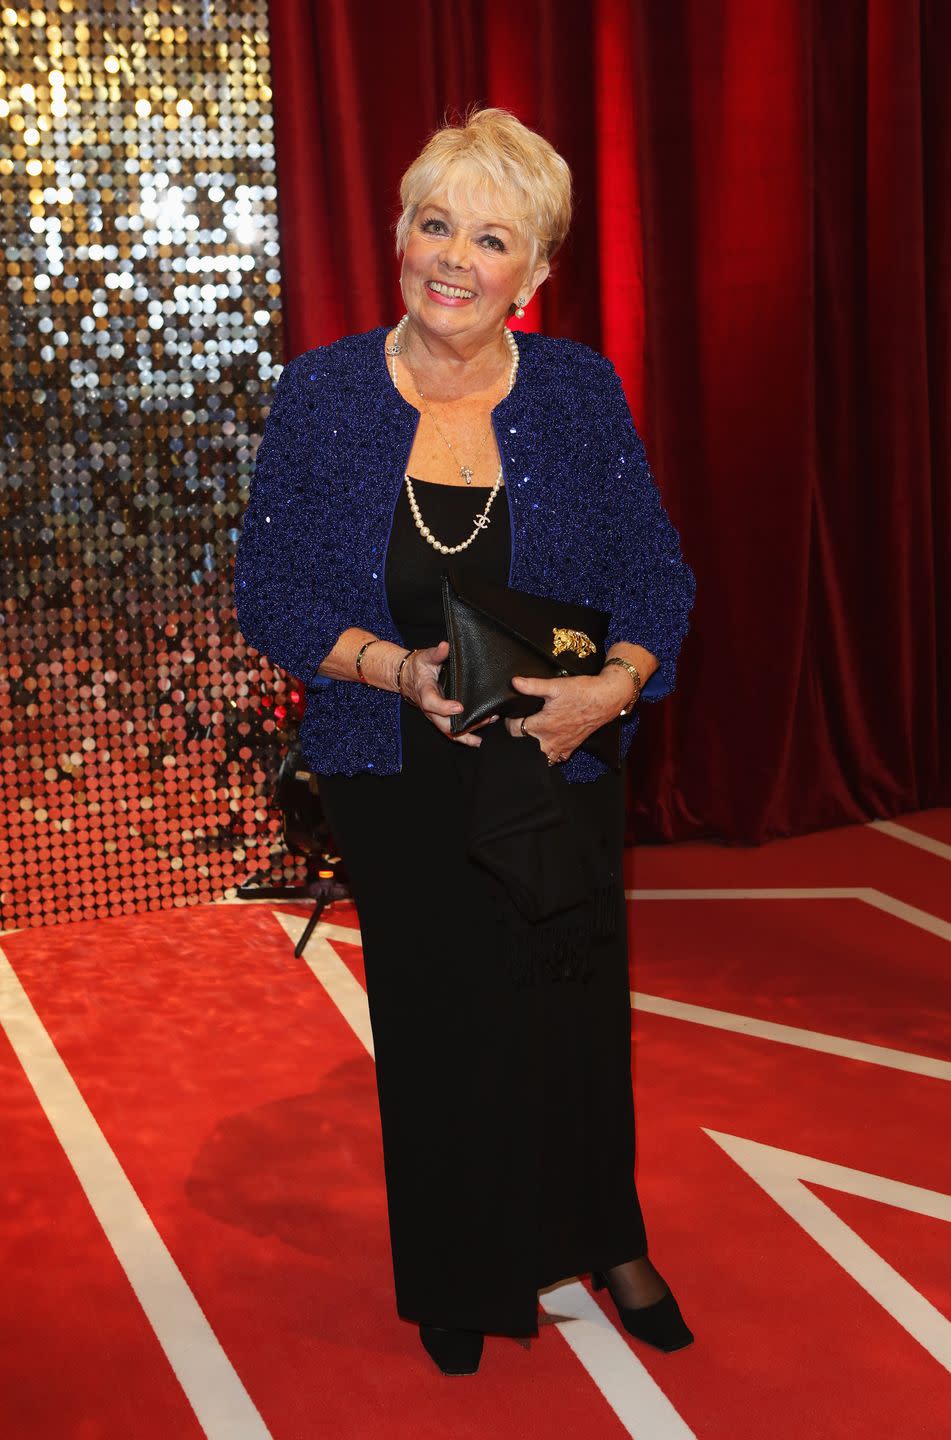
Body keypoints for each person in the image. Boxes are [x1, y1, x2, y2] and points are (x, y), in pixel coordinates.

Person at [234, 107, 697, 1377]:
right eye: (434, 223)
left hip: (560, 751)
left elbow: (656, 572)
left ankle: (607, 1236)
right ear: (399, 235)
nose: (454, 257)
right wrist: (393, 670)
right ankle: (460, 1262)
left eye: (490, 238)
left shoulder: (574, 389)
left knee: (573, 1008)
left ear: (531, 275)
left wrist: (614, 689)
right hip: (396, 766)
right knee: (444, 1024)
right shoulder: (325, 393)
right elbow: (267, 591)